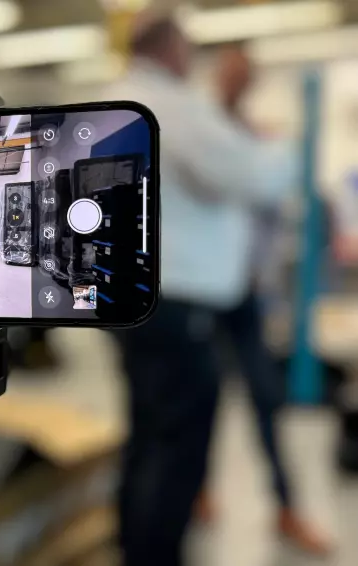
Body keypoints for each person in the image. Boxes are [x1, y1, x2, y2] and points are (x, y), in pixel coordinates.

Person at [106, 10, 299, 566]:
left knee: (147, 434)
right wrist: (282, 149)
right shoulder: (174, 106)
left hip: (135, 301)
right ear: (171, 50)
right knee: (176, 449)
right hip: (177, 305)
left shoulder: (115, 100)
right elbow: (252, 178)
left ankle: (134, 549)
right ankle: (153, 555)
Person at [193, 43, 333, 558]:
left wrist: (263, 278)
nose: (236, 83)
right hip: (203, 296)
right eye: (230, 74)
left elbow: (274, 219)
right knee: (201, 401)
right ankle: (199, 493)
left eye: (244, 76)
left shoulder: (255, 145)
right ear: (218, 79)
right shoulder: (200, 139)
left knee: (265, 402)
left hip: (245, 297)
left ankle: (287, 508)